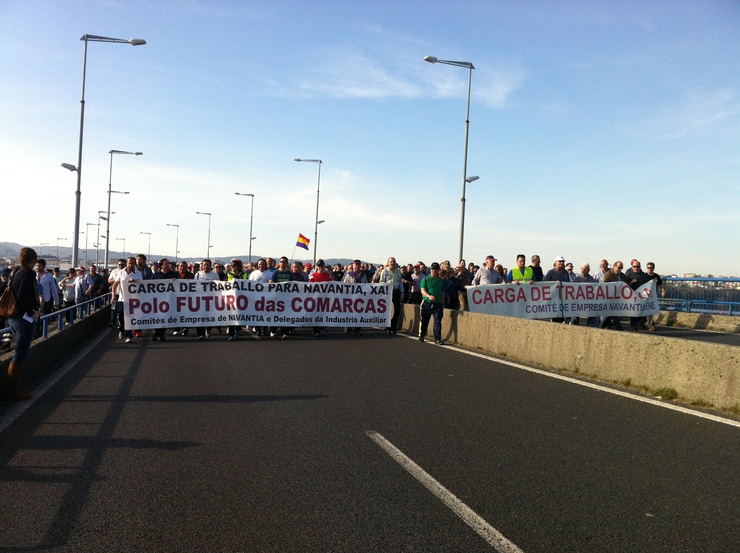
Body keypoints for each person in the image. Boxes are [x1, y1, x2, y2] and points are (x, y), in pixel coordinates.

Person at [5, 247, 42, 400]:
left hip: (13, 318)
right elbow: (22, 296)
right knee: (21, 353)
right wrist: (32, 312)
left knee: (21, 352)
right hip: (23, 319)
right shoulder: (29, 273)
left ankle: (14, 387)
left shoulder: (17, 272)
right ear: (32, 260)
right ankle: (12, 390)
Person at [110, 257, 142, 343]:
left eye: (132, 263)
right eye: (129, 263)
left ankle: (128, 335)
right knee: (121, 317)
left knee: (130, 318)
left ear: (135, 264)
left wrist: (135, 281)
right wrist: (113, 295)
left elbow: (142, 286)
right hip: (122, 299)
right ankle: (122, 330)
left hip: (133, 300)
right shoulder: (121, 272)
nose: (130, 265)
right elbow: (115, 285)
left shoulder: (138, 273)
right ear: (127, 263)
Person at [151, 258, 177, 341]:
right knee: (157, 316)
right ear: (161, 265)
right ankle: (157, 332)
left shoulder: (173, 274)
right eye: (166, 264)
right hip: (158, 299)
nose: (168, 265)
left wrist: (176, 281)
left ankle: (161, 333)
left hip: (169, 299)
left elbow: (179, 284)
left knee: (166, 316)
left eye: (168, 263)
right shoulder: (156, 275)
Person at [418, 262, 444, 345]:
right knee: (424, 321)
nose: (434, 271)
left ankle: (437, 339)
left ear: (438, 270)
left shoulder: (441, 281)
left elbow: (442, 293)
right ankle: (422, 335)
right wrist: (429, 296)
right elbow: (423, 290)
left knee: (437, 321)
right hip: (427, 303)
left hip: (437, 304)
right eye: (432, 269)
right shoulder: (426, 279)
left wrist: (442, 303)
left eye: (436, 269)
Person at [270, 256, 295, 339]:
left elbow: (294, 285)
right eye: (281, 261)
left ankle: (285, 333)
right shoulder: (276, 273)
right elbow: (271, 283)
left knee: (286, 315)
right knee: (275, 314)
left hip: (286, 299)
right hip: (277, 298)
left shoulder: (290, 274)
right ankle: (273, 330)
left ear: (287, 264)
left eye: (284, 262)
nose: (282, 263)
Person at [342, 259, 368, 336]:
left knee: (359, 313)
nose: (356, 266)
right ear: (353, 266)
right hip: (350, 298)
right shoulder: (349, 275)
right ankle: (347, 326)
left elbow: (366, 285)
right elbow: (343, 285)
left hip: (360, 298)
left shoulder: (363, 275)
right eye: (355, 265)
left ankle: (357, 330)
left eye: (358, 265)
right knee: (349, 312)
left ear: (360, 266)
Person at [194, 259, 219, 340]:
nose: (206, 266)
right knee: (200, 316)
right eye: (204, 265)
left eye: (207, 265)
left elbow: (219, 286)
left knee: (211, 315)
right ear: (202, 266)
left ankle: (208, 329)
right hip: (200, 299)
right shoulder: (198, 275)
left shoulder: (214, 275)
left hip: (211, 299)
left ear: (210, 266)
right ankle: (200, 333)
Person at [378, 257, 404, 334]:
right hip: (387, 291)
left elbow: (400, 283)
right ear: (388, 263)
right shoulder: (384, 271)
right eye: (391, 262)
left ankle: (393, 325)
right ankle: (388, 326)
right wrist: (387, 284)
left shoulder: (398, 272)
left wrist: (402, 293)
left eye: (393, 261)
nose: (392, 263)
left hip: (396, 291)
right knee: (388, 310)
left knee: (397, 309)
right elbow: (381, 282)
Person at [625, 259, 651, 332]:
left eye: (637, 266)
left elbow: (648, 283)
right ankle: (633, 327)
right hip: (632, 296)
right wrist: (631, 282)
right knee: (634, 313)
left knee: (642, 313)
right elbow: (625, 286)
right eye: (634, 266)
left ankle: (639, 323)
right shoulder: (629, 274)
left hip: (641, 296)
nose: (636, 268)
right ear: (632, 267)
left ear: (640, 267)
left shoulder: (643, 275)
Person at [309, 259, 333, 337]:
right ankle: (315, 330)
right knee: (315, 314)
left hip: (325, 298)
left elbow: (332, 285)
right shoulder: (313, 276)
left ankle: (321, 328)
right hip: (315, 298)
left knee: (324, 314)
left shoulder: (328, 275)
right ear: (317, 266)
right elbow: (309, 286)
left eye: (322, 266)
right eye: (319, 266)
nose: (320, 268)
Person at [601, 261, 628, 330]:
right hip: (610, 297)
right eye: (619, 267)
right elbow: (605, 285)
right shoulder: (608, 274)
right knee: (613, 313)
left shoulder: (622, 275)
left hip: (618, 298)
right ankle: (619, 328)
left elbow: (626, 284)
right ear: (614, 267)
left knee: (612, 314)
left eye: (622, 267)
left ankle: (600, 327)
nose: (620, 269)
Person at [226, 259, 249, 341]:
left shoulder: (244, 274)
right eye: (231, 265)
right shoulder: (229, 274)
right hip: (231, 298)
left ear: (238, 266)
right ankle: (231, 334)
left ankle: (238, 329)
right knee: (231, 316)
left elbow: (246, 283)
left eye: (234, 265)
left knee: (239, 315)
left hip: (241, 297)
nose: (232, 267)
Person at [644, 262, 664, 331]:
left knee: (651, 310)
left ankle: (651, 325)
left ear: (653, 268)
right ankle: (644, 323)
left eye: (651, 268)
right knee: (646, 310)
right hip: (645, 295)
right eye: (648, 268)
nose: (650, 269)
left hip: (653, 296)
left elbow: (660, 284)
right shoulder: (644, 276)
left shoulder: (656, 276)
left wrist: (663, 291)